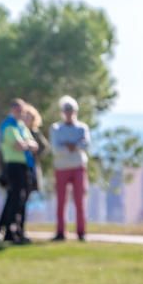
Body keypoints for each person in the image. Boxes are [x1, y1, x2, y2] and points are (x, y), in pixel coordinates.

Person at [0, 99, 39, 244]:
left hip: (25, 166)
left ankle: (19, 230)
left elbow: (34, 145)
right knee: (14, 198)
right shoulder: (9, 126)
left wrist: (26, 144)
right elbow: (19, 145)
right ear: (13, 110)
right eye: (19, 111)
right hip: (13, 166)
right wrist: (27, 144)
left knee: (22, 199)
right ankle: (8, 230)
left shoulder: (21, 126)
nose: (22, 114)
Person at [49, 95, 90, 241]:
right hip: (61, 168)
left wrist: (70, 145)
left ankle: (81, 232)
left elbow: (86, 145)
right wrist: (72, 146)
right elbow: (55, 149)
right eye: (66, 110)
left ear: (75, 111)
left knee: (80, 201)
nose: (69, 113)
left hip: (78, 167)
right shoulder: (56, 128)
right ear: (62, 112)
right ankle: (60, 232)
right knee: (61, 201)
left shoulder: (82, 128)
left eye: (71, 110)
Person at [21, 103, 49, 197]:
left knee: (31, 191)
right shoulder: (19, 130)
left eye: (29, 118)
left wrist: (35, 154)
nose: (27, 120)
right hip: (19, 164)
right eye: (25, 117)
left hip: (31, 166)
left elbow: (44, 146)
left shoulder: (35, 133)